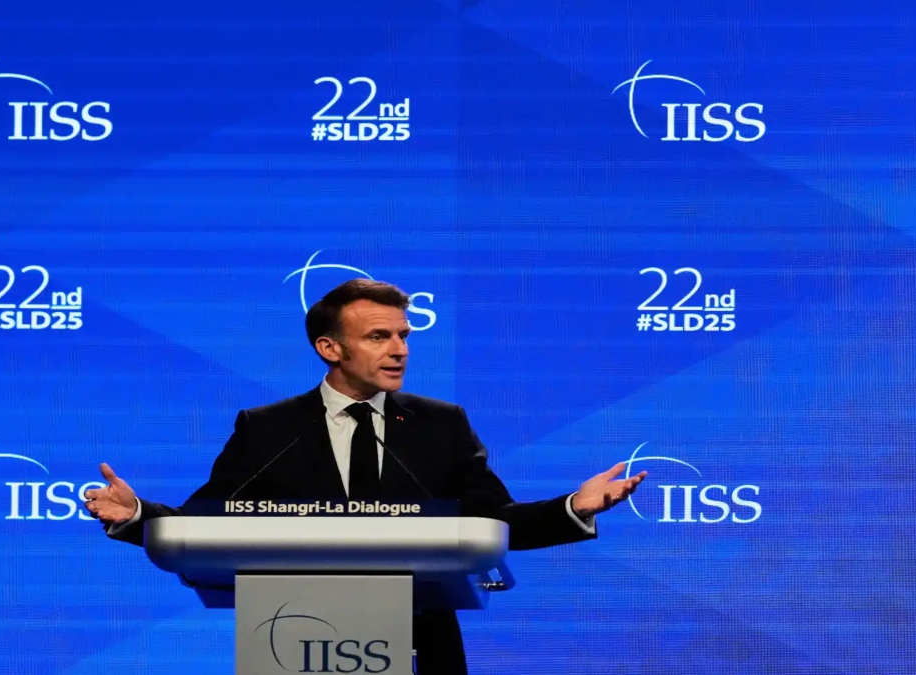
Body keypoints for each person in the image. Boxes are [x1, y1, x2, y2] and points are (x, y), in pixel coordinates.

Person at [84, 278, 646, 674]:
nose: (399, 350)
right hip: (294, 633)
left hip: (423, 638)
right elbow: (205, 522)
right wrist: (137, 515)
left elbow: (493, 521)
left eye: (404, 335)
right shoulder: (268, 428)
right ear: (329, 348)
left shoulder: (440, 424)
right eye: (379, 337)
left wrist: (574, 507)